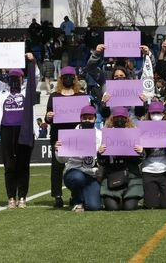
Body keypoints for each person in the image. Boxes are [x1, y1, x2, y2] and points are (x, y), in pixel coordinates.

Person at [0, 47, 39, 210]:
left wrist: (32, 61)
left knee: (23, 165)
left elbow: (36, 76)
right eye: (12, 77)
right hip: (7, 130)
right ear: (8, 78)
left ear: (22, 78)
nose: (15, 80)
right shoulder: (2, 89)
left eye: (18, 77)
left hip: (25, 130)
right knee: (9, 166)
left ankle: (22, 197)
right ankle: (11, 197)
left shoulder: (28, 87)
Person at [45, 66, 90, 209]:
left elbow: (88, 115)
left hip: (76, 135)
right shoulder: (54, 96)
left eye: (71, 76)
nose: (68, 79)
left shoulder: (81, 95)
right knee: (57, 167)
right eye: (65, 76)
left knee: (77, 166)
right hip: (58, 136)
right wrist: (48, 116)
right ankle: (57, 196)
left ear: (75, 78)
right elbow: (48, 118)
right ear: (61, 79)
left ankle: (74, 194)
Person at [98, 106, 143, 211]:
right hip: (112, 175)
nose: (119, 120)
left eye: (122, 118)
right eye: (117, 117)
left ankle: (129, 198)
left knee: (129, 207)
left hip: (131, 175)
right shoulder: (106, 134)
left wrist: (141, 152)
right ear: (112, 119)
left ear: (127, 119)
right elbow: (102, 162)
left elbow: (138, 161)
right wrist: (100, 153)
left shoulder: (134, 134)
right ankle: (115, 198)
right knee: (111, 207)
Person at [59, 105, 102, 212]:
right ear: (80, 118)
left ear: (95, 118)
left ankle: (81, 195)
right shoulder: (71, 135)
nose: (87, 120)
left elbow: (102, 161)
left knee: (94, 207)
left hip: (91, 175)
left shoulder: (101, 135)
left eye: (90, 118)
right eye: (85, 118)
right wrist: (57, 150)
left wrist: (101, 153)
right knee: (78, 178)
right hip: (74, 172)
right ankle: (77, 200)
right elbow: (62, 160)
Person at [140, 101, 166, 209]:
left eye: (158, 113)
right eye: (153, 113)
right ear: (149, 114)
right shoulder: (142, 130)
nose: (156, 116)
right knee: (150, 205)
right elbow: (140, 155)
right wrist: (141, 150)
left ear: (163, 114)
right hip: (149, 170)